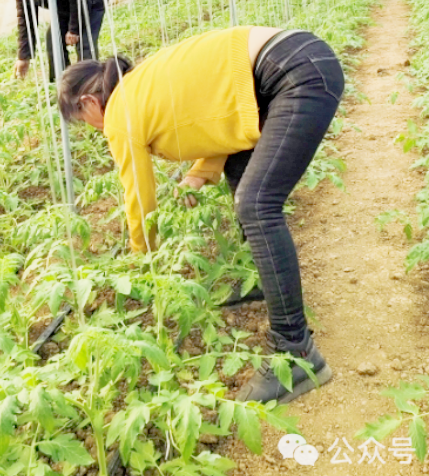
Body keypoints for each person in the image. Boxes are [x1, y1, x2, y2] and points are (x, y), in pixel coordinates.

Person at [58, 26, 344, 404]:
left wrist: (143, 256)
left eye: (83, 121)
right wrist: (197, 175)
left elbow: (139, 195)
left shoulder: (118, 113)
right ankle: (262, 281)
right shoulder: (140, 84)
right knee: (243, 174)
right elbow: (223, 118)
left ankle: (295, 351)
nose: (92, 129)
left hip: (291, 73)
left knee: (256, 204)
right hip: (294, 62)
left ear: (90, 102)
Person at [3, 0, 111, 81]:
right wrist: (24, 56)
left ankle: (90, 83)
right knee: (53, 39)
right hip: (65, 2)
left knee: (85, 40)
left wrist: (74, 29)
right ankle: (62, 83)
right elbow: (26, 18)